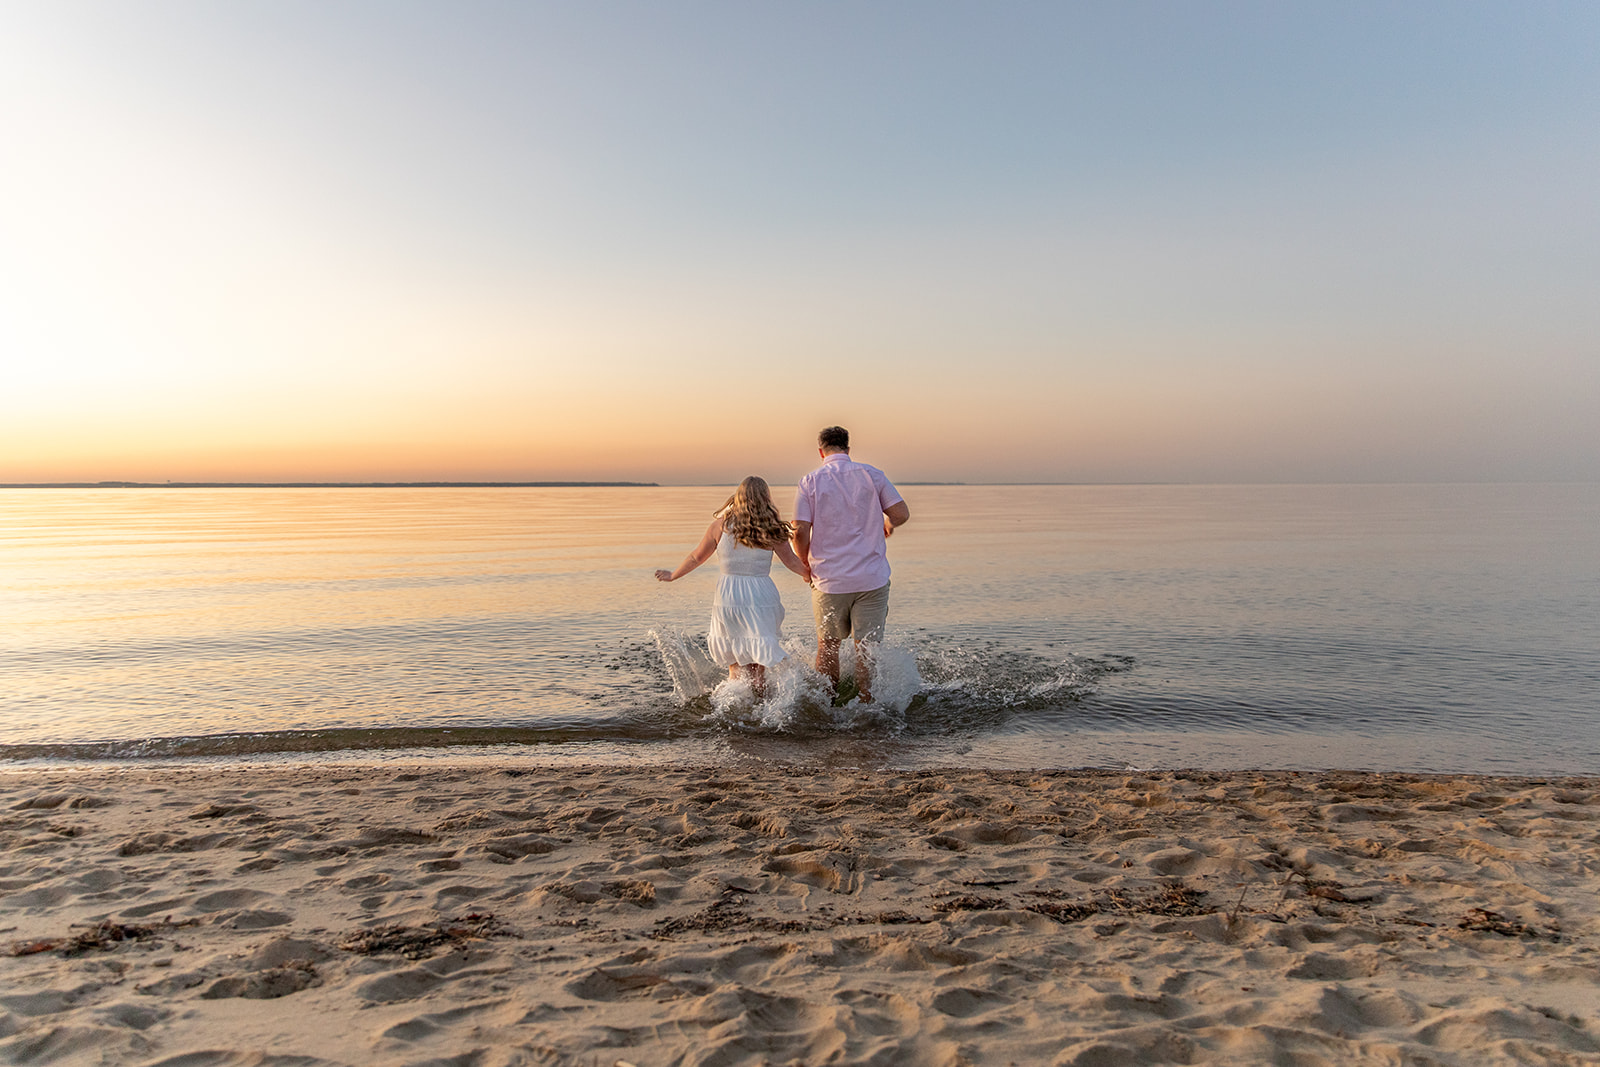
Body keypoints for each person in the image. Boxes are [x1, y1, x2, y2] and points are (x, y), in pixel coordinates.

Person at [656, 476, 811, 698]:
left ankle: (732, 710)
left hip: (728, 596)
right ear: (766, 498)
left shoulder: (720, 526)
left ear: (737, 497)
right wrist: (812, 577)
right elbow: (792, 562)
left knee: (735, 664)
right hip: (760, 596)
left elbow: (696, 557)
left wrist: (673, 575)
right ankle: (763, 712)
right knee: (758, 665)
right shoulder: (771, 528)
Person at [792, 426, 909, 703]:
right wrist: (888, 523)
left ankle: (826, 706)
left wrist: (804, 564)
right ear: (848, 449)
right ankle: (868, 706)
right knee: (867, 649)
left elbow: (798, 531)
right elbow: (901, 513)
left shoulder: (810, 481)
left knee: (828, 647)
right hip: (872, 578)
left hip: (829, 580)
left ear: (821, 451)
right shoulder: (872, 474)